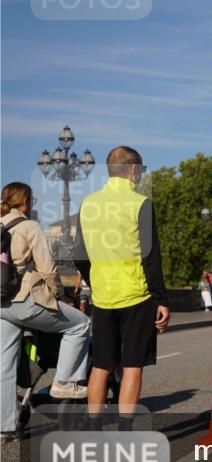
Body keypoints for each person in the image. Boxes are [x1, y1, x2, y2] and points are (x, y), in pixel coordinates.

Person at [77, 147, 171, 427]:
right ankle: (125, 429)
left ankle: (94, 426)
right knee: (132, 366)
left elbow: (79, 256)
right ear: (132, 169)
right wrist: (161, 299)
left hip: (103, 297)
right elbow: (150, 257)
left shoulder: (89, 204)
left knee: (101, 365)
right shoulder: (140, 203)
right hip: (135, 295)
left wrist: (96, 280)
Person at [1, 182, 91, 442]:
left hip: (1, 305)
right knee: (80, 324)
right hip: (24, 301)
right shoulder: (29, 226)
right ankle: (65, 381)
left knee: (4, 365)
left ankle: (5, 428)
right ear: (26, 201)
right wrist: (60, 295)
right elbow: (48, 268)